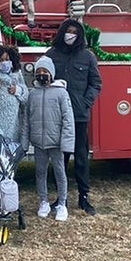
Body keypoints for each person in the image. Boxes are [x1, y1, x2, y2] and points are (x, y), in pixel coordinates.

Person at [46, 19, 102, 215]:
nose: (70, 35)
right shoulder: (51, 55)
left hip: (78, 116)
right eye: (68, 31)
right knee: (59, 158)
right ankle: (61, 198)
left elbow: (96, 83)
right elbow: (43, 79)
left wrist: (86, 103)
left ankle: (84, 197)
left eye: (74, 32)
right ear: (62, 32)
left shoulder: (87, 57)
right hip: (57, 117)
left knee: (80, 158)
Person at [21, 56, 75, 222]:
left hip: (56, 143)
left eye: (45, 71)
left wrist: (67, 143)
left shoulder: (61, 93)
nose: (42, 74)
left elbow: (68, 119)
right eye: (39, 71)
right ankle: (43, 201)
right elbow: (26, 120)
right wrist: (25, 142)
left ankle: (62, 203)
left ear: (51, 74)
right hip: (39, 143)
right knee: (40, 172)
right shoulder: (33, 94)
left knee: (60, 172)